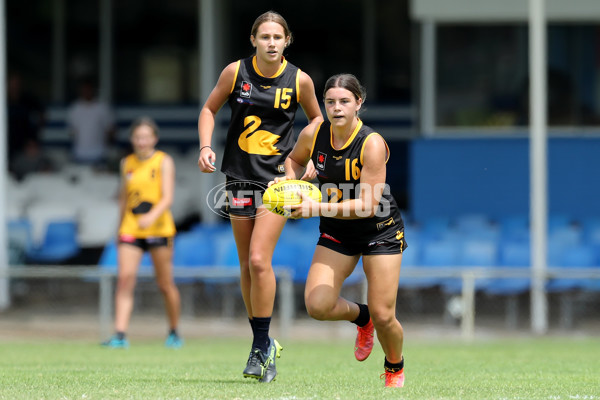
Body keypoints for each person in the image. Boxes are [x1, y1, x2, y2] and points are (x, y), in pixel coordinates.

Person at [197, 11, 323, 382]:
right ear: (253, 39)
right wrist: (206, 145)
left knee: (258, 259)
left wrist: (308, 156)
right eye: (264, 36)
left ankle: (260, 345)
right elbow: (208, 108)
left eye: (277, 37)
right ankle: (263, 345)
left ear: (287, 41)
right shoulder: (235, 73)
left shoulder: (299, 80)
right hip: (238, 176)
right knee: (246, 265)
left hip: (276, 182)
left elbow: (318, 121)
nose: (271, 42)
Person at [275, 74, 407, 387]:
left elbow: (366, 204)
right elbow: (293, 161)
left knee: (385, 315)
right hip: (337, 230)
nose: (337, 108)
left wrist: (315, 207)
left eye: (344, 101)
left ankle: (394, 367)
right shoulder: (314, 132)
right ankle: (362, 318)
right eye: (330, 102)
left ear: (358, 103)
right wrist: (288, 182)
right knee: (317, 306)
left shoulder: (371, 144)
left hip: (379, 230)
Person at [102, 117, 183, 349]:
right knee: (125, 280)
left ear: (154, 139)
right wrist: (119, 228)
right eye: (138, 137)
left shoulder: (163, 161)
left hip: (159, 229)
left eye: (146, 137)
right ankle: (119, 334)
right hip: (131, 228)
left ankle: (174, 331)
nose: (142, 141)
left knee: (165, 284)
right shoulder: (126, 163)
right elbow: (124, 198)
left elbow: (167, 197)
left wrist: (152, 216)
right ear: (132, 140)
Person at [66, 76, 116, 168]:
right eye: (84, 89)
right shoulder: (74, 109)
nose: (86, 92)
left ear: (93, 90)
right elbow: (71, 132)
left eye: (88, 89)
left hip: (99, 155)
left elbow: (111, 130)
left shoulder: (102, 108)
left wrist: (106, 147)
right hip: (79, 155)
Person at [7, 71, 46, 178]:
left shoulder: (27, 99)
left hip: (24, 143)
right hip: (7, 142)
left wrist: (35, 133)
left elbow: (42, 113)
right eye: (13, 83)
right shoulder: (4, 99)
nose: (15, 86)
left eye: (17, 83)